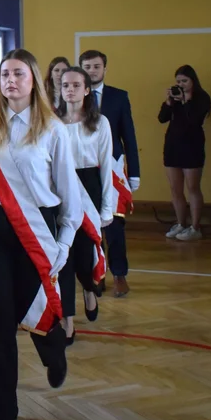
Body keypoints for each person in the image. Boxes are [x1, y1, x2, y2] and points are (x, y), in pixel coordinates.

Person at [0, 49, 81, 420]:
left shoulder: (53, 130)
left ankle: (54, 351)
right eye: (4, 75)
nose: (10, 81)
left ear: (33, 80)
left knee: (40, 305)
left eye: (18, 74)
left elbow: (69, 194)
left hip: (38, 228)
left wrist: (63, 244)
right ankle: (1, 408)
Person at [58, 67, 113, 339]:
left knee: (84, 251)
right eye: (65, 85)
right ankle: (68, 319)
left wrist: (106, 208)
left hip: (90, 187)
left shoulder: (100, 123)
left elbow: (106, 169)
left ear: (87, 89)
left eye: (76, 85)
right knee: (63, 256)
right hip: (62, 190)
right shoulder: (52, 123)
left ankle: (89, 288)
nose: (70, 89)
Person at [79, 49, 138, 297]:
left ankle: (120, 275)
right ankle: (96, 276)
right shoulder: (73, 96)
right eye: (87, 67)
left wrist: (134, 172)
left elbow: (129, 136)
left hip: (113, 168)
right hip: (85, 169)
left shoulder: (118, 97)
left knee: (114, 226)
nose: (92, 70)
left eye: (96, 66)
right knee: (90, 227)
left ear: (105, 68)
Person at [159, 65, 211, 241]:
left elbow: (195, 121)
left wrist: (186, 101)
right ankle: (181, 223)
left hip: (192, 146)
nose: (181, 84)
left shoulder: (201, 98)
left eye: (184, 81)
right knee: (175, 189)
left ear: (193, 81)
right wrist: (169, 102)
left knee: (193, 188)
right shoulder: (175, 98)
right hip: (173, 146)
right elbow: (162, 118)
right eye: (178, 81)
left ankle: (195, 227)